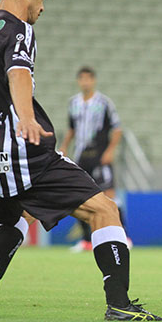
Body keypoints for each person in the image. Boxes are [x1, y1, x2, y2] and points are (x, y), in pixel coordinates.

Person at [0, 0, 161, 321]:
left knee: (23, 211)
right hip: (16, 153)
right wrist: (27, 120)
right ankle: (119, 304)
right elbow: (18, 74)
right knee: (104, 209)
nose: (42, 7)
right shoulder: (19, 29)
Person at [59, 67, 127, 252]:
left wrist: (110, 150)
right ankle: (86, 240)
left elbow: (117, 129)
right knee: (79, 196)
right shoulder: (73, 103)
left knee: (110, 195)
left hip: (100, 156)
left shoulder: (104, 103)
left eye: (88, 79)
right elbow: (72, 129)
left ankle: (124, 236)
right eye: (82, 79)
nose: (85, 82)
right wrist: (64, 146)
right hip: (81, 156)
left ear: (94, 81)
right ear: (78, 81)